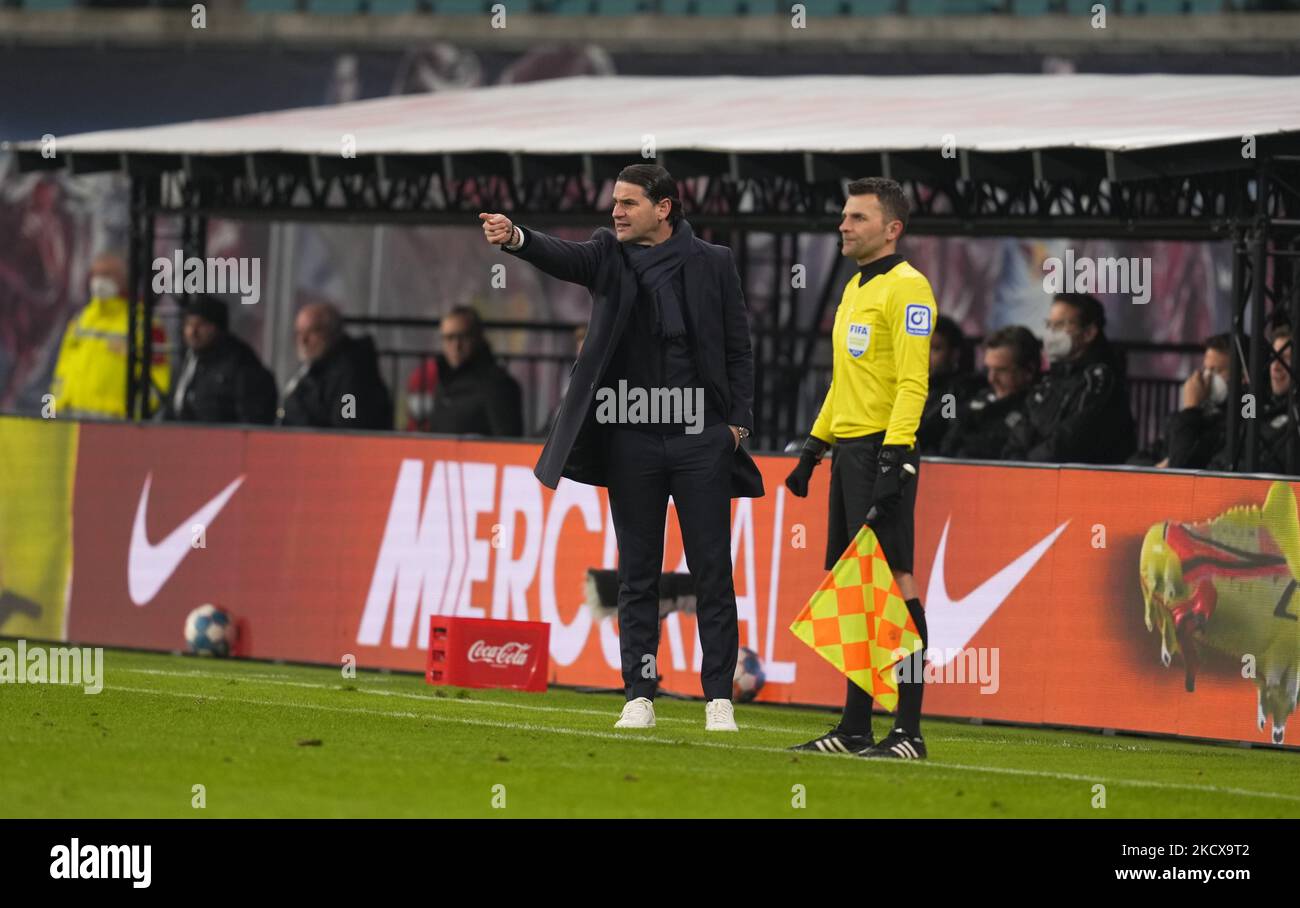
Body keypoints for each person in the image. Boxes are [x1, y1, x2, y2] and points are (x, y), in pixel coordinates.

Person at [480, 163, 764, 732]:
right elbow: (565, 257)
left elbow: (739, 349)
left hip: (699, 438)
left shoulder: (714, 263)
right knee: (638, 572)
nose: (615, 212)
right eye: (615, 202)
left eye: (628, 203)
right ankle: (639, 692)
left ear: (663, 208)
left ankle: (718, 699)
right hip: (631, 436)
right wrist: (518, 238)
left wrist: (735, 426)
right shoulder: (608, 255)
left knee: (712, 569)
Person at [783, 176, 936, 760]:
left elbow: (911, 382)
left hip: (881, 451)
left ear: (892, 229)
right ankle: (853, 728)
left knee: (897, 586)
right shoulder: (854, 288)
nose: (843, 226)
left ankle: (909, 731)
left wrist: (895, 459)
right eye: (844, 216)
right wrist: (813, 451)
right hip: (848, 452)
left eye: (857, 218)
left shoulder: (909, 289)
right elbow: (846, 382)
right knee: (856, 593)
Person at [1002, 292, 1136, 464]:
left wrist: (1026, 468)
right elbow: (1017, 437)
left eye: (1059, 325)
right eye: (1049, 325)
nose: (1050, 333)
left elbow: (1067, 445)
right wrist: (1015, 466)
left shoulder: (1101, 382)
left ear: (1088, 333)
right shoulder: (1048, 382)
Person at [50, 252, 170, 419]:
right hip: (70, 421)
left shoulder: (145, 324)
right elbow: (62, 370)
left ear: (124, 278)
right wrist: (55, 406)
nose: (98, 281)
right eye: (95, 274)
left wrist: (135, 416)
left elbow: (158, 378)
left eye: (106, 274)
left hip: (116, 426)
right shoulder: (81, 320)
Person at [162, 296, 276, 425]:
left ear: (217, 327)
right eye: (189, 324)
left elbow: (252, 423)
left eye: (201, 324)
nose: (192, 332)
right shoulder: (187, 361)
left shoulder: (241, 364)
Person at [278, 302, 392, 431]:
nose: (303, 340)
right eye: (299, 332)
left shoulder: (352, 374)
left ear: (331, 332)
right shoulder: (313, 369)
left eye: (313, 331)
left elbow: (348, 429)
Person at [939, 325, 1041, 460]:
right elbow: (947, 446)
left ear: (1028, 370)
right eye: (989, 369)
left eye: (1002, 370)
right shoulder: (975, 398)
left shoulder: (1038, 409)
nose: (992, 378)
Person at [1138, 333, 1238, 469]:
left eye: (1216, 370)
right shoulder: (1202, 415)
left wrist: (1191, 408)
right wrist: (1156, 468)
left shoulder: (1240, 422)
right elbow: (1137, 459)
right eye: (1206, 369)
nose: (1207, 377)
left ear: (1242, 375)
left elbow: (1181, 467)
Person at [426, 305, 524, 437]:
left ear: (478, 338)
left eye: (463, 337)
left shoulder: (498, 386)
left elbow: (507, 443)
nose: (456, 346)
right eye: (449, 338)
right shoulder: (443, 383)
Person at [1208, 325, 1293, 475]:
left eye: (1286, 358)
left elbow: (1268, 470)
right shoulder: (1259, 409)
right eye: (1274, 358)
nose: (1276, 366)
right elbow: (1221, 460)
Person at [917, 315, 986, 454]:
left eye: (935, 349)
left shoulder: (958, 391)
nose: (926, 355)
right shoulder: (905, 386)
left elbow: (945, 430)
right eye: (922, 347)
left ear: (954, 353)